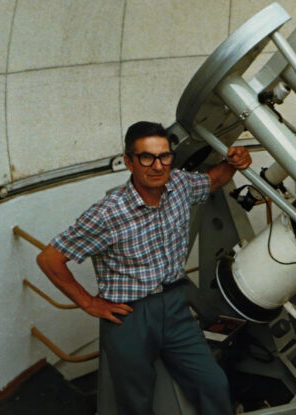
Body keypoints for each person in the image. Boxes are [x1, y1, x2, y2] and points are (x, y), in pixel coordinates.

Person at [36, 121, 251, 415]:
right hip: (129, 316)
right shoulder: (108, 213)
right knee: (135, 401)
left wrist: (235, 162)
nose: (158, 166)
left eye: (164, 156)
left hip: (175, 307)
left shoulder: (180, 185)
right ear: (129, 162)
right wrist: (88, 303)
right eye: (147, 157)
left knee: (212, 383)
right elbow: (49, 259)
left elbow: (214, 180)